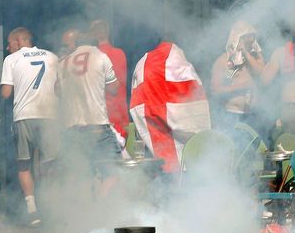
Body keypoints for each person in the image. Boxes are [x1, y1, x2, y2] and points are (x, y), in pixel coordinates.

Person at [0, 27, 59, 224]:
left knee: (24, 164)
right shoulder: (52, 57)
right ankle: (52, 207)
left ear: (18, 41)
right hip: (49, 115)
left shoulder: (12, 60)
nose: (8, 48)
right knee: (48, 163)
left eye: (10, 43)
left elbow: (6, 93)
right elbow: (59, 88)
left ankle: (33, 211)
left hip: (24, 116)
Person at [130, 40, 211, 173]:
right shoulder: (173, 64)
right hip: (177, 167)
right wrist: (201, 138)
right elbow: (181, 125)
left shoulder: (142, 64)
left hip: (152, 152)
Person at [59, 32, 120, 196]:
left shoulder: (63, 62)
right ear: (96, 44)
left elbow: (57, 91)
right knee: (113, 172)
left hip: (71, 129)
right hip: (96, 126)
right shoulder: (100, 56)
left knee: (84, 175)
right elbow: (114, 88)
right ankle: (101, 209)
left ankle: (86, 213)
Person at [210, 21, 259, 132]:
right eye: (247, 37)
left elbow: (264, 76)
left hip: (254, 117)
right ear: (237, 38)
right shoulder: (223, 61)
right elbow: (215, 90)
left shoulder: (254, 59)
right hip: (232, 117)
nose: (251, 40)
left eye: (252, 37)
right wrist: (240, 87)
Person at [90, 20, 129, 148]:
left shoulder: (92, 56)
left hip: (101, 119)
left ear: (93, 35)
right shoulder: (120, 53)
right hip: (121, 116)